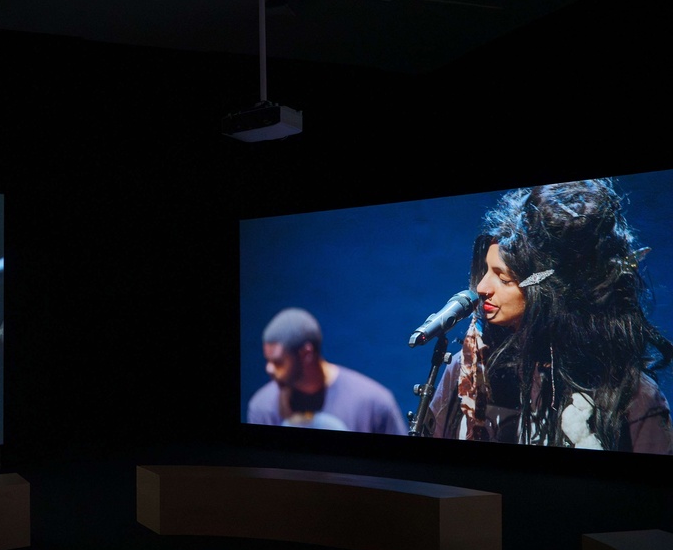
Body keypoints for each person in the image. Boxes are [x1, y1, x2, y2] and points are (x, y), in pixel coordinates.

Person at [428, 178, 673, 453]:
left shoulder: (631, 395)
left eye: (504, 279)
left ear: (549, 289)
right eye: (486, 271)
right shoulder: (469, 372)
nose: (482, 288)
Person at [247, 307, 407, 434]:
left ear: (307, 353)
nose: (269, 368)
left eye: (278, 362)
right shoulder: (263, 406)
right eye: (268, 361)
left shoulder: (373, 404)